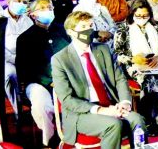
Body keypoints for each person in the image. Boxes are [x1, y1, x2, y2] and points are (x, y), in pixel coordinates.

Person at [51, 11, 146, 148]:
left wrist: (125, 102)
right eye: (83, 27)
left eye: (90, 25)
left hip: (111, 104)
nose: (89, 30)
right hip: (82, 113)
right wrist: (101, 110)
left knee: (137, 120)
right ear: (71, 32)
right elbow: (67, 100)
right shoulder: (60, 59)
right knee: (113, 124)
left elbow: (120, 79)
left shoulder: (103, 49)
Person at [111, 0, 158, 135]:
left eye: (145, 16)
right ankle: (153, 119)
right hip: (132, 66)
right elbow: (116, 53)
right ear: (132, 14)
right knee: (149, 79)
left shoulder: (157, 26)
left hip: (156, 64)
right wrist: (133, 58)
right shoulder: (123, 29)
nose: (142, 19)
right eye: (138, 16)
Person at [16, 0, 69, 146]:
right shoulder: (25, 39)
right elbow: (25, 69)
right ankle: (50, 140)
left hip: (66, 79)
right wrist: (49, 81)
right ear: (33, 15)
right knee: (42, 105)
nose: (48, 10)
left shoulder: (64, 30)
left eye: (49, 7)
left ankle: (73, 135)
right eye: (43, 8)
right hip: (39, 83)